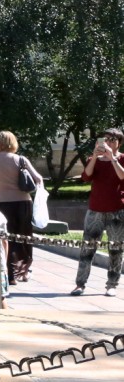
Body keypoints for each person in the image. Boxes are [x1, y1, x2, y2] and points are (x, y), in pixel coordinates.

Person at [73, 128, 124, 298]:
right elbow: (86, 176)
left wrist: (113, 159)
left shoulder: (122, 159)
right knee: (87, 248)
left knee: (116, 249)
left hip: (117, 211)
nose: (107, 143)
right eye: (105, 139)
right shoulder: (92, 159)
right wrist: (95, 157)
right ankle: (80, 284)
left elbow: (122, 177)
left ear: (118, 143)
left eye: (112, 140)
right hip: (95, 211)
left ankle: (112, 285)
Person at [0, 131, 44, 283]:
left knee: (6, 238)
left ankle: (10, 275)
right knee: (24, 238)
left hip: (1, 204)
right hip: (23, 203)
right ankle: (23, 272)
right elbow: (38, 178)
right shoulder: (20, 159)